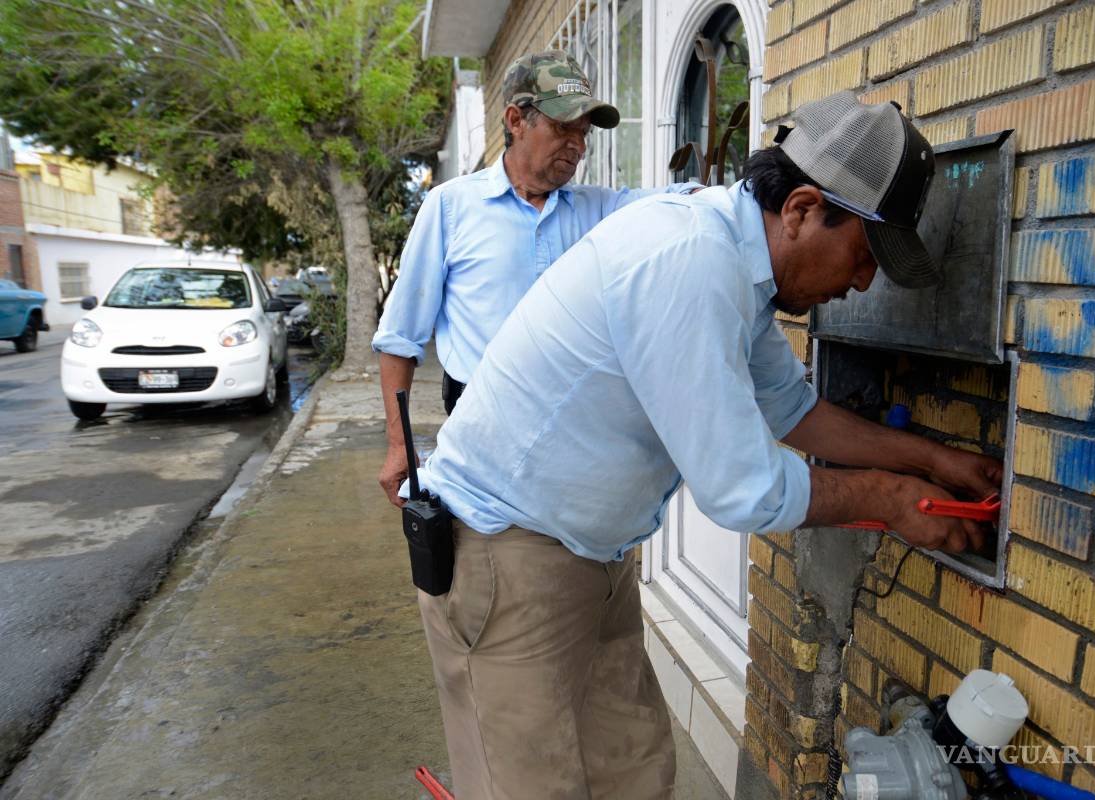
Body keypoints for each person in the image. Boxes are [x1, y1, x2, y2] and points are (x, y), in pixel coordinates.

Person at [403, 91, 1004, 798]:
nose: (864, 280)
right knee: (529, 784)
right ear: (804, 210)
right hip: (503, 555)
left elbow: (791, 409)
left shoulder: (737, 262)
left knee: (633, 768)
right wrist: (892, 498)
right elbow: (742, 488)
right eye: (866, 252)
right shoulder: (688, 260)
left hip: (587, 555)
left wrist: (931, 461)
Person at [372, 50, 699, 509]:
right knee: (489, 557)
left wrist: (735, 199)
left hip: (578, 427)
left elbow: (675, 201)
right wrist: (398, 446)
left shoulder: (598, 209)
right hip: (482, 426)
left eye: (583, 133)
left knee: (567, 556)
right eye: (564, 127)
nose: (578, 145)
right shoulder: (450, 208)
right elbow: (399, 339)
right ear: (516, 120)